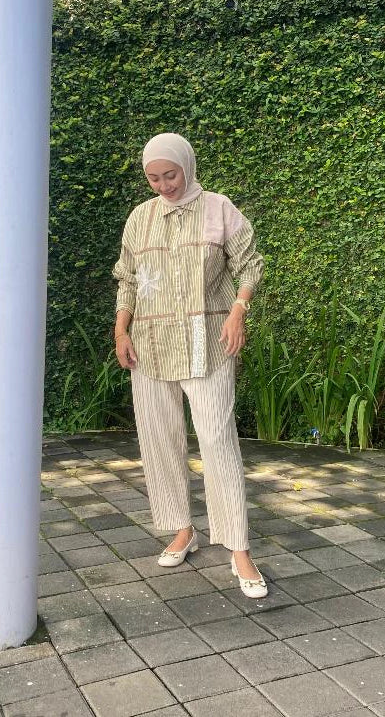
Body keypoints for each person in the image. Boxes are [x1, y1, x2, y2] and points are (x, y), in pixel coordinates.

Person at [112, 132, 268, 598]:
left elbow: (250, 265)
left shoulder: (220, 208)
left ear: (187, 166)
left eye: (171, 175)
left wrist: (239, 310)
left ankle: (239, 548)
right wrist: (121, 331)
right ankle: (183, 529)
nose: (164, 185)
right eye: (154, 178)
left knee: (218, 441)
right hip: (150, 346)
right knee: (159, 440)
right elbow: (127, 279)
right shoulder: (140, 218)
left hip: (209, 344)